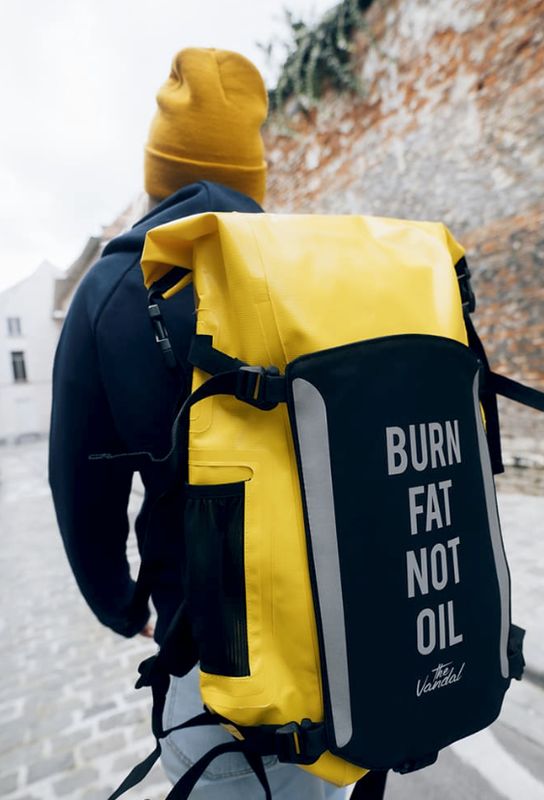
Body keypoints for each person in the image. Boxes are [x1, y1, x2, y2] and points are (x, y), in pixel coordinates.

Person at [49, 47, 348, 800]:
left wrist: (125, 606)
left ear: (157, 175)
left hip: (209, 652)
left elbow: (82, 493)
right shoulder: (317, 269)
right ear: (254, 178)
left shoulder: (111, 291)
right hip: (341, 644)